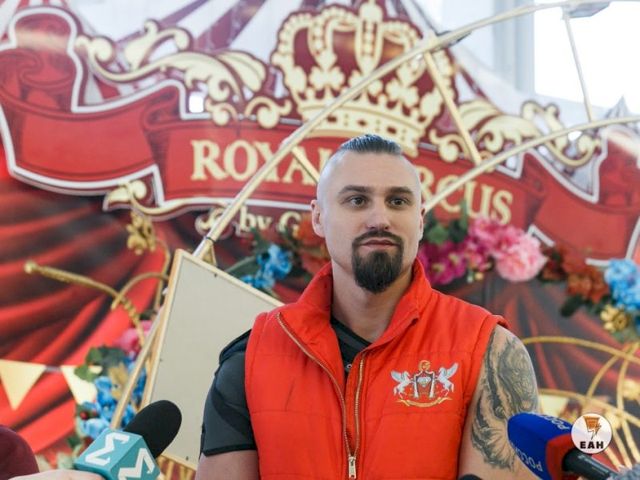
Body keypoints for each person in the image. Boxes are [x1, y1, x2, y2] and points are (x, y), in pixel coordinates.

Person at [196, 134, 539, 479]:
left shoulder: (488, 350)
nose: (379, 219)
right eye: (357, 200)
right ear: (318, 218)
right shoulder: (250, 359)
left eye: (398, 201)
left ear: (420, 220)